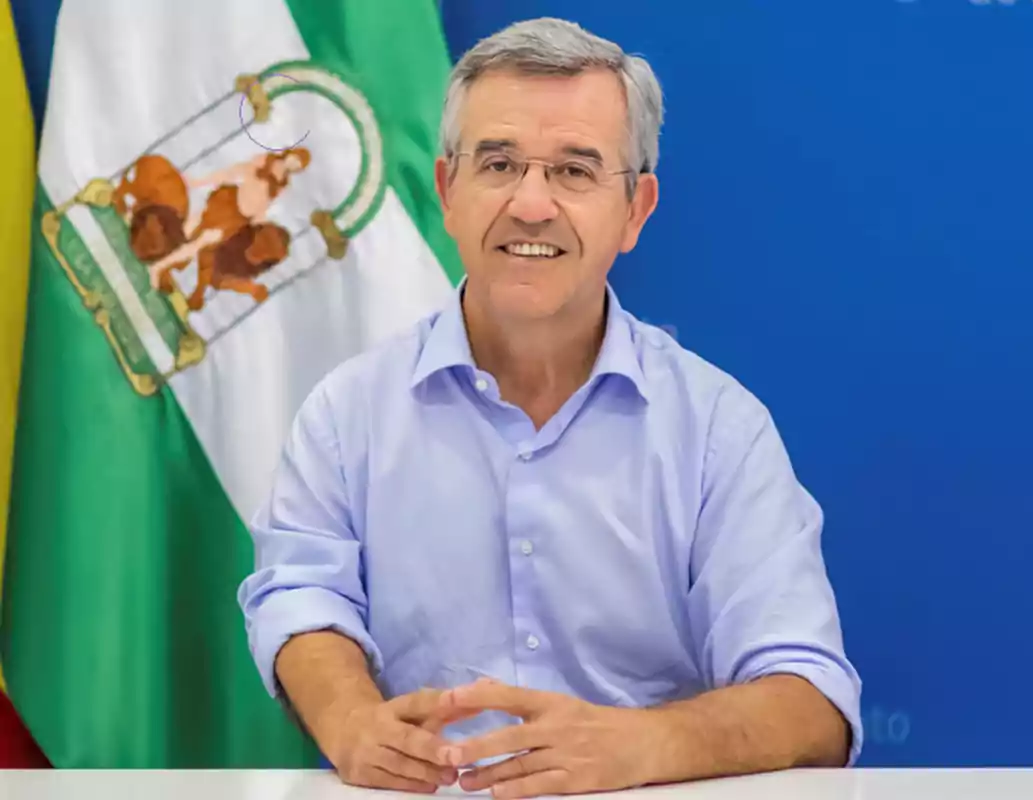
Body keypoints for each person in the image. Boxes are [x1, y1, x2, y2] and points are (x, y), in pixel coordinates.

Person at [237, 17, 862, 798]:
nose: (531, 205)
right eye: (498, 163)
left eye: (574, 171)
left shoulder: (717, 430)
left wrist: (639, 746)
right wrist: (354, 721)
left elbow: (811, 702)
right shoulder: (347, 412)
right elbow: (301, 599)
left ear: (636, 209)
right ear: (447, 191)